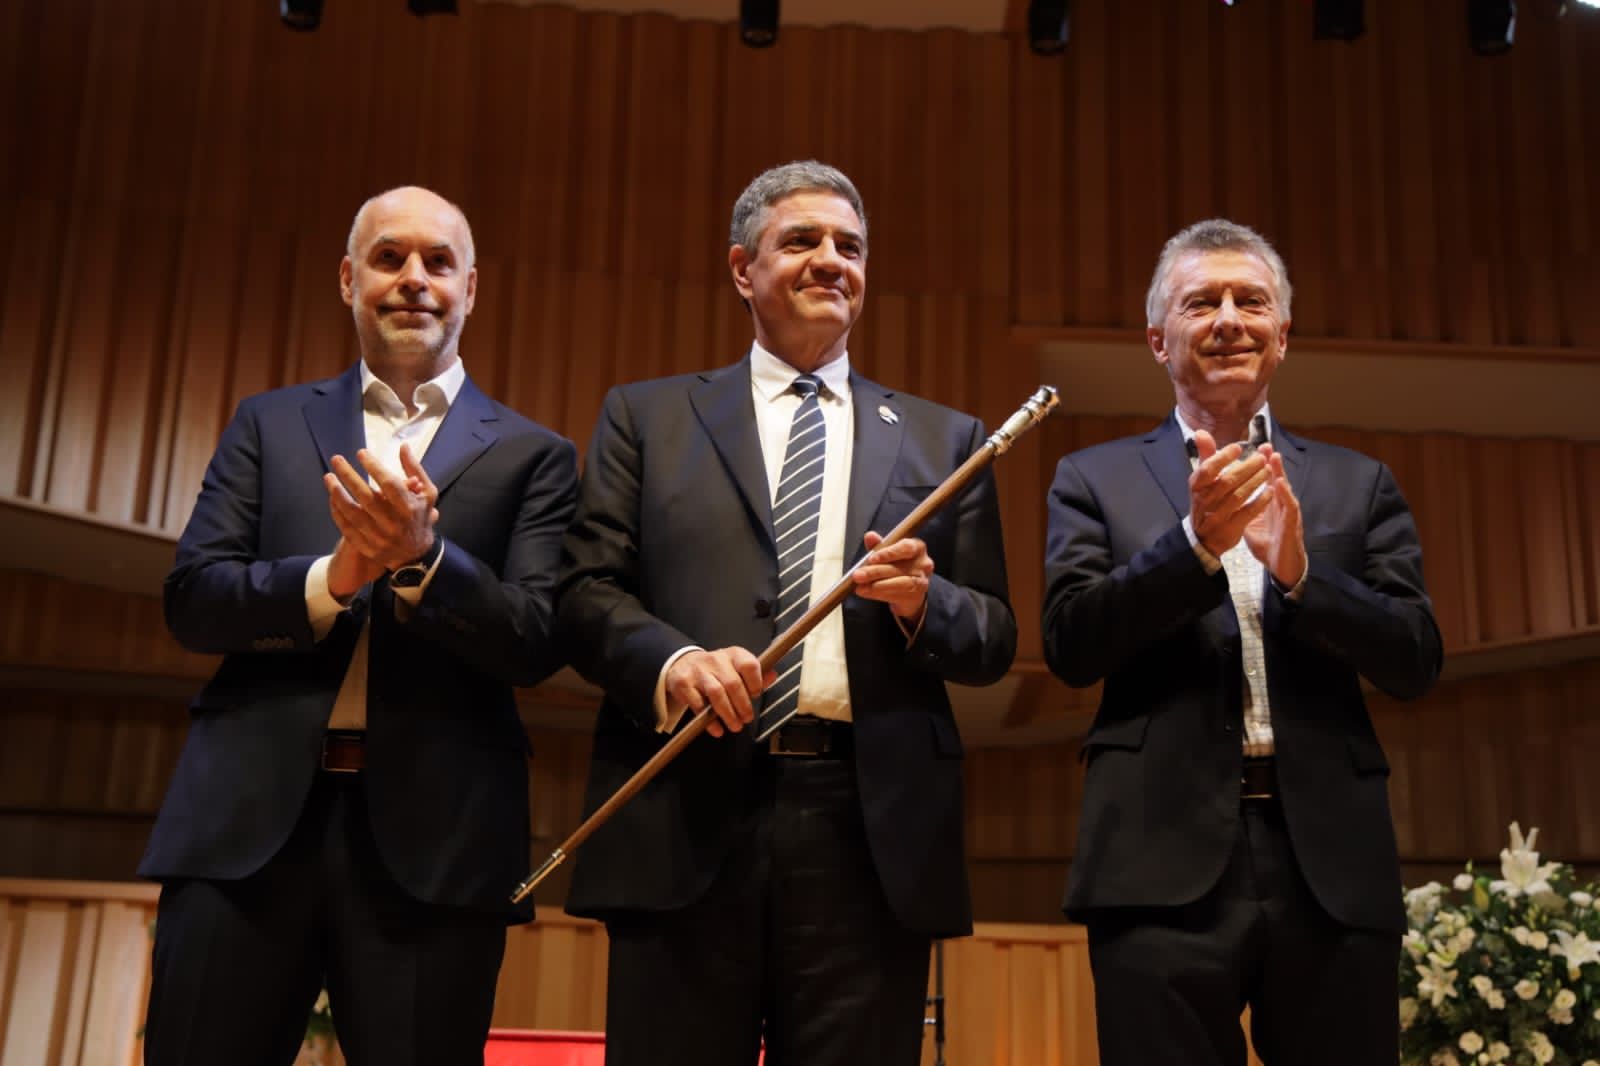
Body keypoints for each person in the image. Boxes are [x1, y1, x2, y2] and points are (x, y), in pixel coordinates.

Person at [556, 160, 1016, 1066]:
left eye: (850, 245)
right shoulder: (646, 417)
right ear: (742, 269)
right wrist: (669, 663)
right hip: (685, 816)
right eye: (800, 240)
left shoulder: (945, 438)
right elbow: (582, 592)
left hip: (868, 831)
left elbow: (995, 636)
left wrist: (928, 602)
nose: (830, 260)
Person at [140, 186, 578, 1065]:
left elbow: (535, 640)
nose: (414, 280)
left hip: (440, 848)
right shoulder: (268, 422)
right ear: (349, 279)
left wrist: (422, 563)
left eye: (438, 263)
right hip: (245, 834)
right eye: (389, 259)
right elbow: (194, 598)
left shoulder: (538, 455)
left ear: (471, 289)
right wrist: (332, 579)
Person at [1041, 218, 1443, 1065]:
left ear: (1282, 334)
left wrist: (1303, 575)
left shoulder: (1355, 483)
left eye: (1250, 300)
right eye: (1202, 302)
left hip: (1329, 863)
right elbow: (1072, 645)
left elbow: (1414, 658)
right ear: (1158, 338)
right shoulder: (1092, 478)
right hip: (1155, 865)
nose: (1229, 317)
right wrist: (1190, 547)